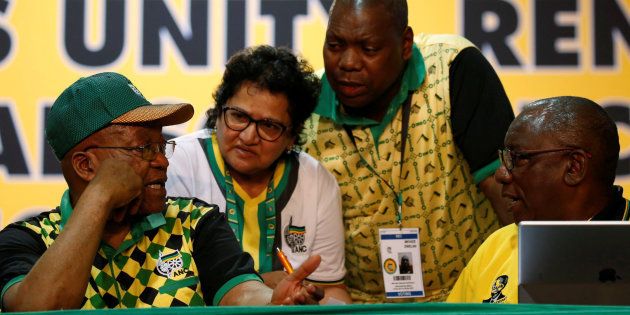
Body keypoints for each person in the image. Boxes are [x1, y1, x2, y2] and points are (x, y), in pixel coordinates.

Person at [0, 72, 324, 311]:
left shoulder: (194, 221)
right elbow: (36, 311)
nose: (161, 161)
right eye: (142, 148)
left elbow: (241, 293)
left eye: (161, 145)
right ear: (86, 166)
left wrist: (271, 301)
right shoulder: (27, 239)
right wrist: (99, 197)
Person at [301, 0, 515, 302]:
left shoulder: (453, 67)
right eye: (335, 45)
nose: (348, 62)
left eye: (369, 49)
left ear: (404, 44)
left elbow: (508, 192)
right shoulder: (305, 107)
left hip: (471, 299)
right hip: (363, 308)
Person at [166, 46, 351, 304]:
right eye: (239, 116)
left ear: (292, 136)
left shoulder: (316, 181)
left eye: (269, 125)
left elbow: (332, 290)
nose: (248, 136)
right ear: (219, 111)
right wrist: (264, 283)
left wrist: (309, 300)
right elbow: (168, 281)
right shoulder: (177, 162)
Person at [447, 96, 629, 304]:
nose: (501, 175)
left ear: (574, 167)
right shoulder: (496, 246)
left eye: (518, 159)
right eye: (505, 158)